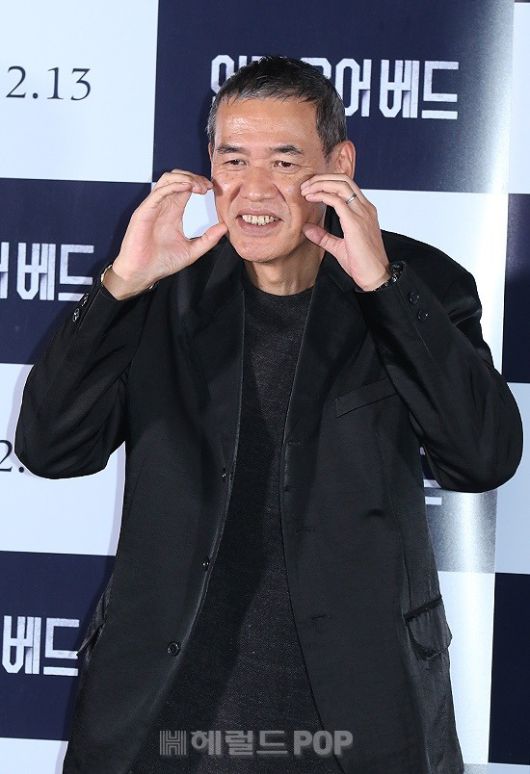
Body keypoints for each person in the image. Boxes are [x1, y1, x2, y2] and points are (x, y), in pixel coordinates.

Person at [15, 55, 522, 774]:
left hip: (357, 722)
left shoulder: (421, 285)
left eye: (284, 162)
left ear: (338, 166)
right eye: (233, 160)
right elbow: (51, 448)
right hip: (164, 720)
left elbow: (481, 458)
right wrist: (120, 286)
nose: (254, 190)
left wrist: (383, 288)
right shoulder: (164, 285)